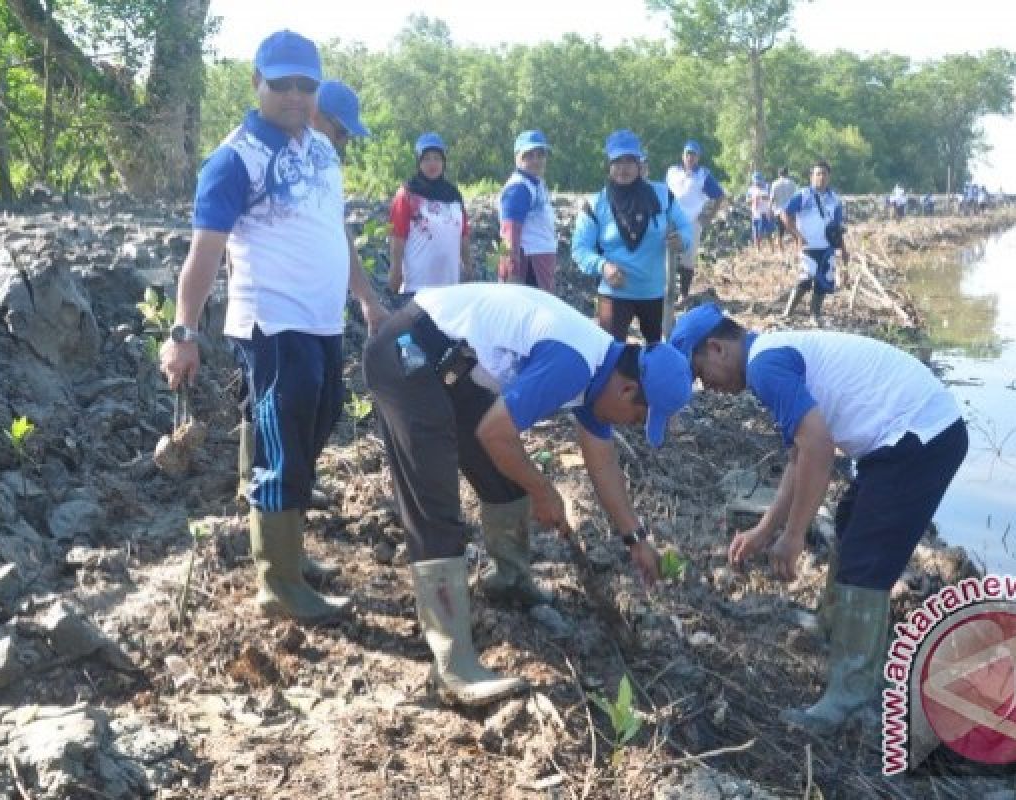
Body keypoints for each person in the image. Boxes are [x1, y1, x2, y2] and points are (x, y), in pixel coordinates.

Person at [363, 283, 692, 706]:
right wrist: (543, 491)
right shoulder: (573, 363)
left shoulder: (601, 370)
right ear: (628, 390)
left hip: (454, 365)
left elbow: (603, 463)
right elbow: (496, 432)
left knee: (503, 476)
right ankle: (453, 665)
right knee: (435, 506)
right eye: (638, 417)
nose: (631, 424)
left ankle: (510, 580)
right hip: (407, 351)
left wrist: (636, 540)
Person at [159, 32, 386, 624]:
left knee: (324, 413)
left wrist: (365, 297)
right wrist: (183, 333)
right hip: (272, 322)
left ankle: (291, 552)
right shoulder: (235, 159)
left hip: (320, 321)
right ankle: (278, 583)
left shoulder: (322, 150)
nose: (292, 95)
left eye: (304, 85)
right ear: (255, 83)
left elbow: (335, 233)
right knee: (283, 441)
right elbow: (203, 253)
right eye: (280, 84)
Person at [670, 302, 968, 735]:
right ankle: (835, 630)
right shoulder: (768, 357)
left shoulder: (765, 367)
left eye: (699, 374)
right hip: (905, 436)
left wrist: (793, 537)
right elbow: (800, 453)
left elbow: (819, 448)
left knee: (867, 560)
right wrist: (765, 529)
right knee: (849, 523)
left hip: (921, 438)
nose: (706, 387)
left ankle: (850, 695)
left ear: (716, 348)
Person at [573, 129, 692, 344]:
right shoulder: (595, 204)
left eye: (630, 161)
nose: (623, 168)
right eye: (617, 161)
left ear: (640, 164)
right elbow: (580, 249)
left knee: (657, 356)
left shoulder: (663, 196)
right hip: (614, 295)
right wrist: (602, 266)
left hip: (654, 294)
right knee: (611, 358)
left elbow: (685, 227)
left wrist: (682, 239)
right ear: (609, 166)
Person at [387, 132, 472, 306]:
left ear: (444, 162)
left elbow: (463, 235)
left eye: (437, 158)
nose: (432, 164)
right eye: (426, 159)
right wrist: (395, 270)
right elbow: (397, 236)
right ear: (419, 162)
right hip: (417, 287)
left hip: (450, 286)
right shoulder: (407, 194)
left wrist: (469, 266)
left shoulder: (454, 196)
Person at [779, 160, 848, 320]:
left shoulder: (835, 200)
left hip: (827, 247)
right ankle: (787, 313)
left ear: (829, 177)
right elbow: (785, 214)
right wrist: (797, 236)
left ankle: (814, 316)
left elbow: (838, 227)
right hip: (808, 246)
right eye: (818, 174)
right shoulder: (803, 195)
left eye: (824, 174)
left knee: (823, 283)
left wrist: (843, 249)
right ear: (811, 176)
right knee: (805, 279)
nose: (821, 177)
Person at [665, 140, 726, 305]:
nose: (690, 158)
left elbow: (719, 195)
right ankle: (666, 292)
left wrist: (709, 216)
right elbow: (665, 192)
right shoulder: (672, 172)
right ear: (683, 155)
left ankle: (683, 295)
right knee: (666, 256)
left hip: (692, 222)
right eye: (687, 154)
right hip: (670, 221)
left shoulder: (703, 176)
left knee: (688, 258)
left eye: (693, 155)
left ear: (698, 157)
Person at [498, 130, 557, 292]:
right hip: (528, 265)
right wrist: (512, 272)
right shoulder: (519, 188)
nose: (536, 160)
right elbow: (510, 233)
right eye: (529, 156)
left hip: (539, 261)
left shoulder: (536, 183)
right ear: (517, 158)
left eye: (540, 155)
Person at [747, 171, 777, 253]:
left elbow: (772, 198)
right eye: (756, 182)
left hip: (766, 213)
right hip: (756, 214)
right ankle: (758, 250)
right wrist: (753, 199)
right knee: (756, 233)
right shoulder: (750, 189)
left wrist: (763, 197)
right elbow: (747, 201)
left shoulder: (767, 187)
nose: (757, 183)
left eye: (759, 181)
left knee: (769, 233)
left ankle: (772, 248)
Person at [769, 167, 798, 245]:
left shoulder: (775, 184)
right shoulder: (792, 183)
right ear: (787, 173)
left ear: (779, 174)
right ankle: (797, 246)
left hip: (779, 210)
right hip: (791, 210)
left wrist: (770, 210)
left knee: (780, 230)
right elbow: (796, 197)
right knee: (793, 228)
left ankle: (781, 249)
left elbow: (772, 199)